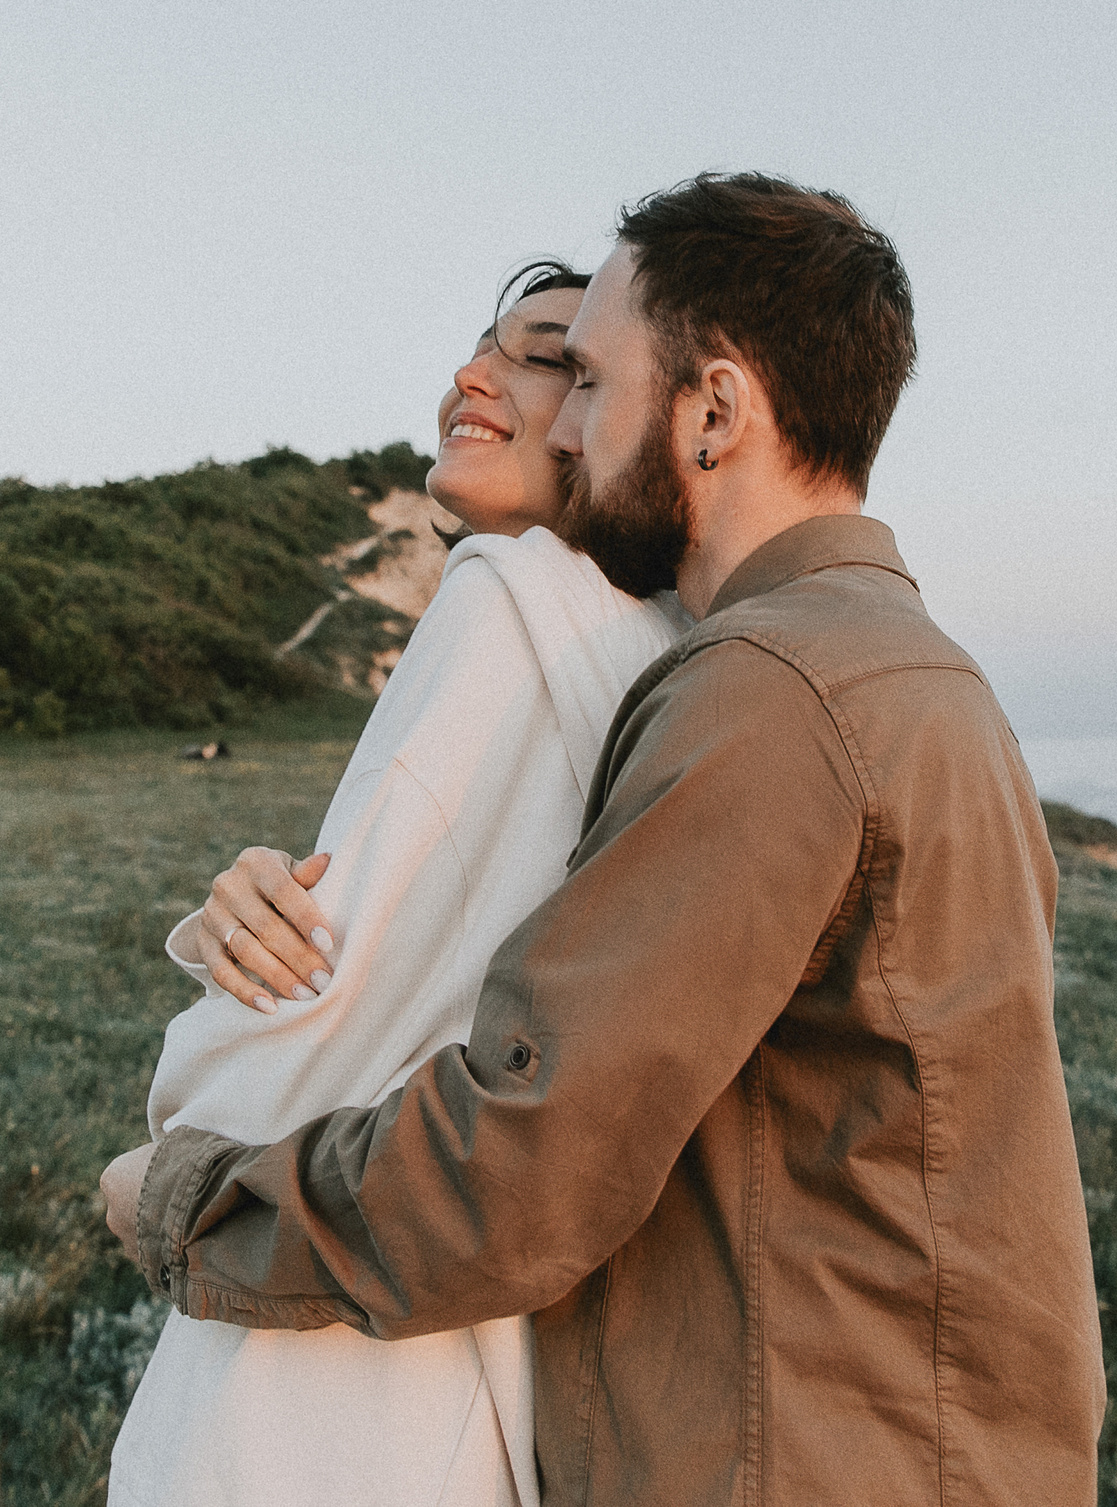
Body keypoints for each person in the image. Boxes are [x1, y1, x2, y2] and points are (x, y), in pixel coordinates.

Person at [104, 174, 1106, 1505]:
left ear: (713, 409)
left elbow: (521, 1167)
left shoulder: (765, 692)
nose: (569, 428)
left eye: (590, 379)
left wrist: (184, 1202)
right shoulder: (911, 673)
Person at [106, 263, 689, 1507]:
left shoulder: (506, 601)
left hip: (318, 1392)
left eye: (541, 355)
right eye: (474, 346)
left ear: (614, 406)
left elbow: (301, 1034)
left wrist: (163, 1150)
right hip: (477, 1375)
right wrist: (241, 922)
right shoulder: (656, 658)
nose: (467, 378)